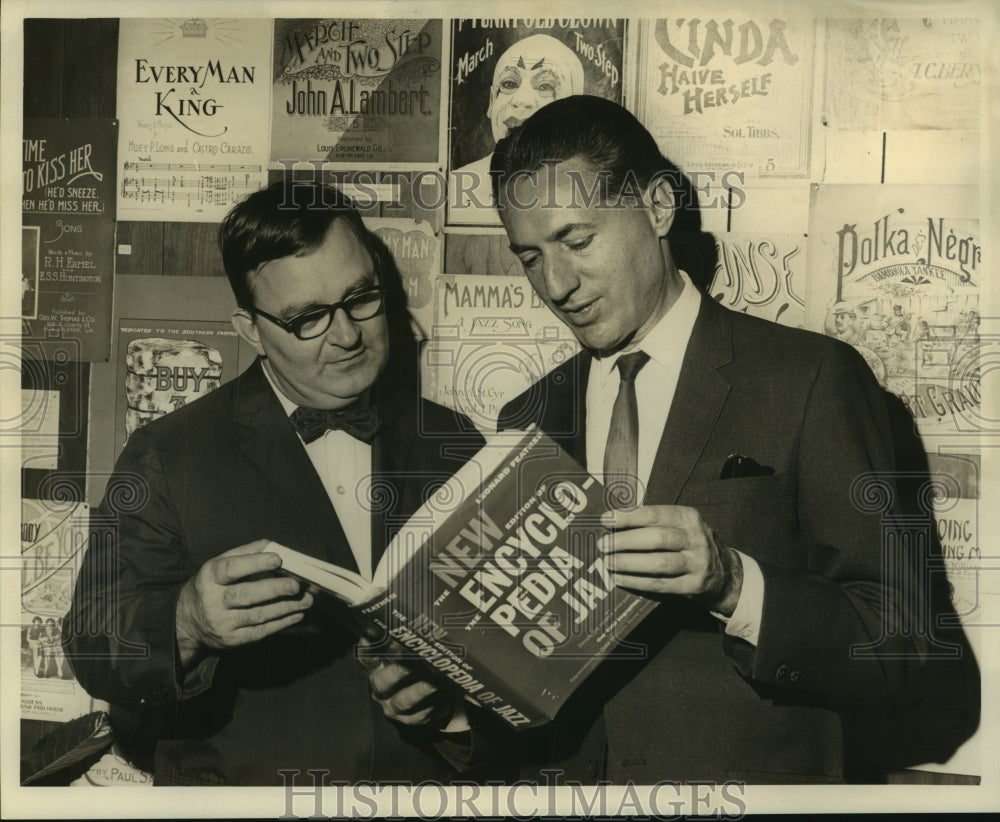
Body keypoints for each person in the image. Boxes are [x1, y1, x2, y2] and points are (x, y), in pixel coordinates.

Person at [489, 95, 972, 783]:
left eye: (577, 239)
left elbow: (903, 649)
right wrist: (449, 706)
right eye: (530, 257)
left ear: (657, 208)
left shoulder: (810, 379)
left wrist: (733, 583)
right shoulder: (526, 418)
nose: (557, 284)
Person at [63, 179, 489, 785]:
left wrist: (451, 709)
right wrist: (185, 623)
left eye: (361, 297)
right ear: (250, 330)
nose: (347, 334)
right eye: (308, 318)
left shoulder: (454, 441)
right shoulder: (166, 453)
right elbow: (90, 641)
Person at [450, 34, 584, 215]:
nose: (521, 100)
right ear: (491, 102)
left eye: (545, 87)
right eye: (509, 83)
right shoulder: (455, 188)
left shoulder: (597, 188)